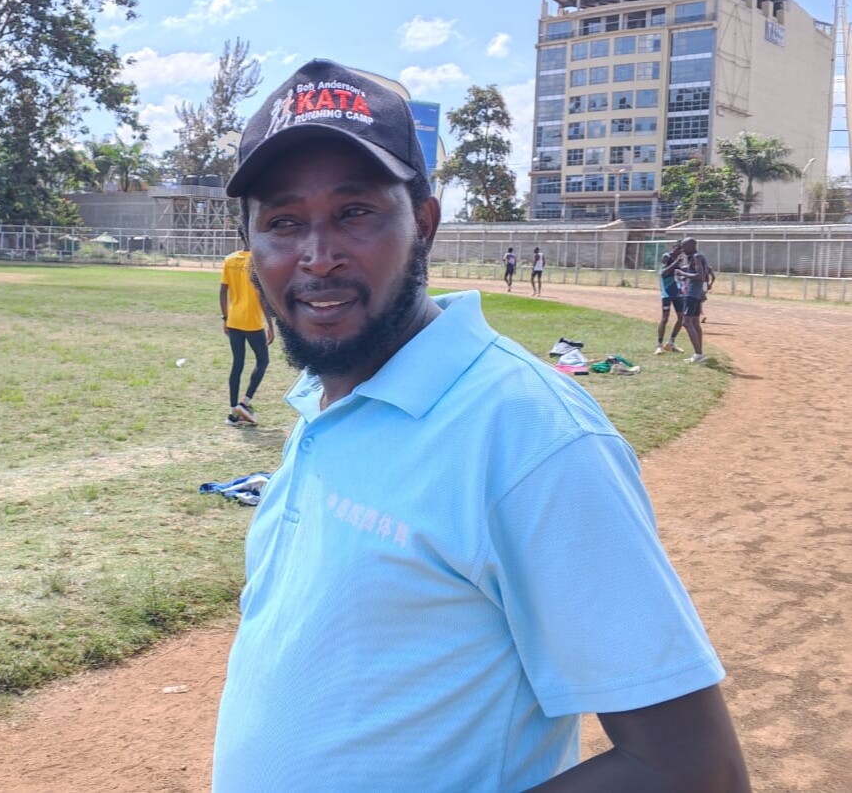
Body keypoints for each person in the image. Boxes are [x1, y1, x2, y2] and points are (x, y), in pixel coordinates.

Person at [212, 58, 749, 792]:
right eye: (282, 222)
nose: (317, 255)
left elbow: (693, 770)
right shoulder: (322, 398)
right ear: (251, 248)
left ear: (424, 226)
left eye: (355, 211)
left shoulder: (529, 433)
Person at [220, 231, 274, 426]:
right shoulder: (258, 261)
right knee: (263, 360)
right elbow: (262, 296)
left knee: (238, 364)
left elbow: (223, 291)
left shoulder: (230, 260)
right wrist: (270, 324)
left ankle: (233, 413)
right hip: (251, 321)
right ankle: (245, 402)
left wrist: (225, 317)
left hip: (234, 320)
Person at [677, 236, 712, 363]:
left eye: (684, 247)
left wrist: (683, 274)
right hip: (697, 294)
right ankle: (699, 354)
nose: (683, 250)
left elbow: (700, 276)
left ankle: (698, 354)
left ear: (691, 246)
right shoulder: (698, 257)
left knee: (686, 323)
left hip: (692, 294)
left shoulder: (696, 257)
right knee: (695, 323)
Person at [656, 242, 686, 354]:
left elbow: (678, 273)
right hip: (667, 293)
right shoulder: (667, 256)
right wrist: (676, 262)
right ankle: (659, 345)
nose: (679, 251)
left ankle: (671, 342)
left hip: (677, 292)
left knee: (681, 318)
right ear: (674, 247)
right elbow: (664, 273)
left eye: (681, 249)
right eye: (677, 248)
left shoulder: (679, 260)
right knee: (665, 318)